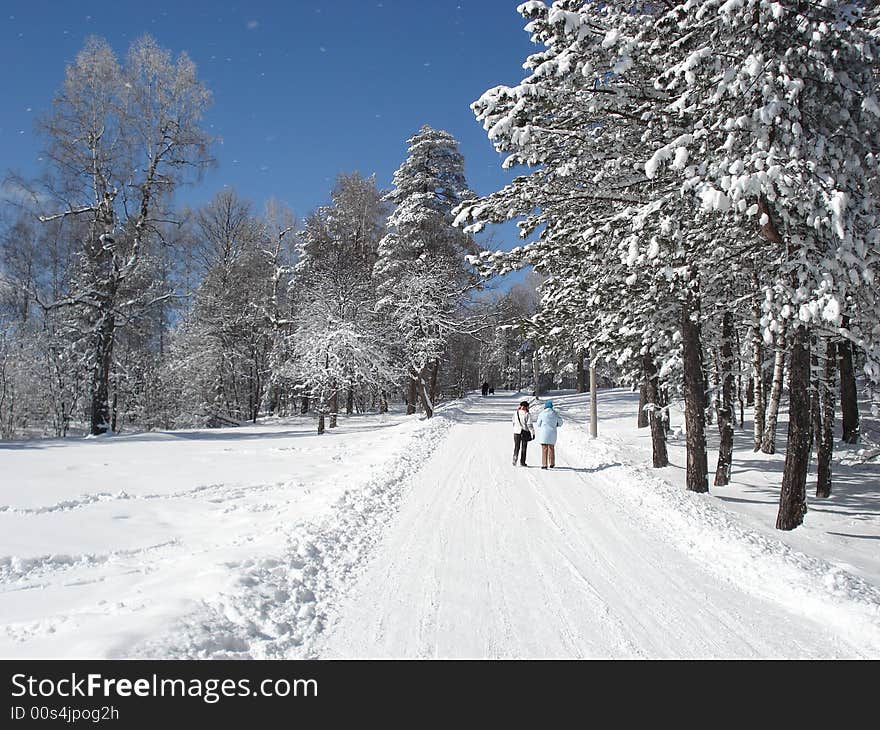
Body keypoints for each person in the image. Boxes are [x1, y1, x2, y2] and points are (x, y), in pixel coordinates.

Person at [535, 400, 563, 469]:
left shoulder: (542, 414)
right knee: (551, 448)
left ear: (545, 406)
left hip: (544, 434)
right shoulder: (555, 413)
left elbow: (538, 424)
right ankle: (552, 463)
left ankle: (544, 464)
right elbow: (560, 423)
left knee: (544, 449)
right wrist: (556, 424)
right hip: (552, 433)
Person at [511, 400, 535, 467]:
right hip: (524, 432)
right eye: (528, 407)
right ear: (525, 407)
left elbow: (513, 421)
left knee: (516, 446)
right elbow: (529, 425)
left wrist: (515, 427)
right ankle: (522, 462)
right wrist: (533, 433)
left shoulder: (516, 413)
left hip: (516, 432)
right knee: (524, 447)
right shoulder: (527, 414)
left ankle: (514, 459)